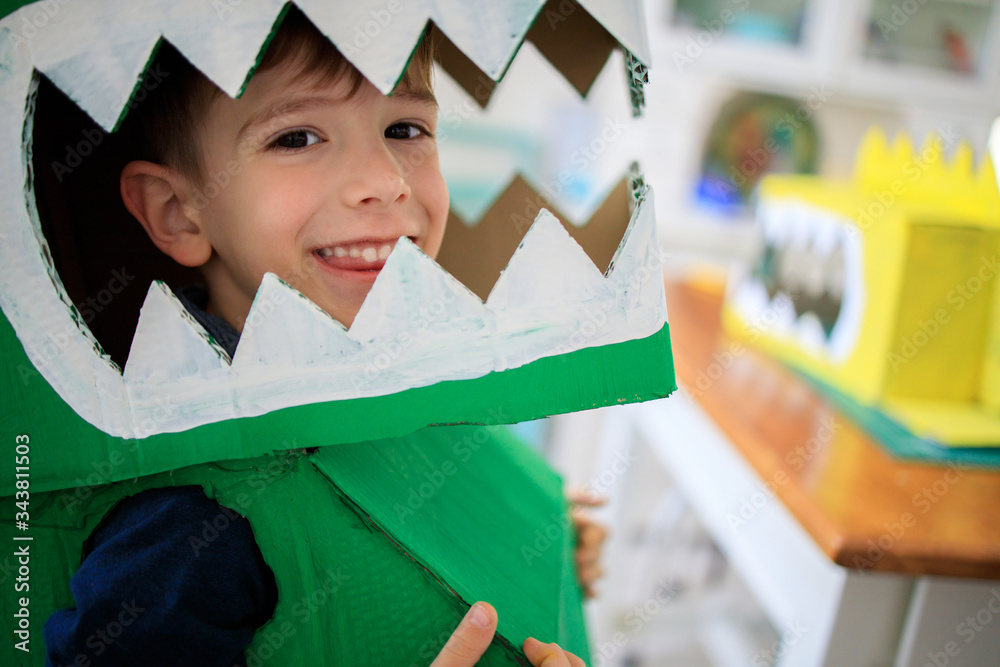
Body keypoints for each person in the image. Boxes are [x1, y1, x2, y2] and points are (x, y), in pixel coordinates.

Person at [44, 8, 604, 666]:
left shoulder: (406, 366)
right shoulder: (189, 526)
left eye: (404, 128)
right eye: (298, 137)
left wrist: (512, 523)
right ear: (178, 211)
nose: (385, 182)